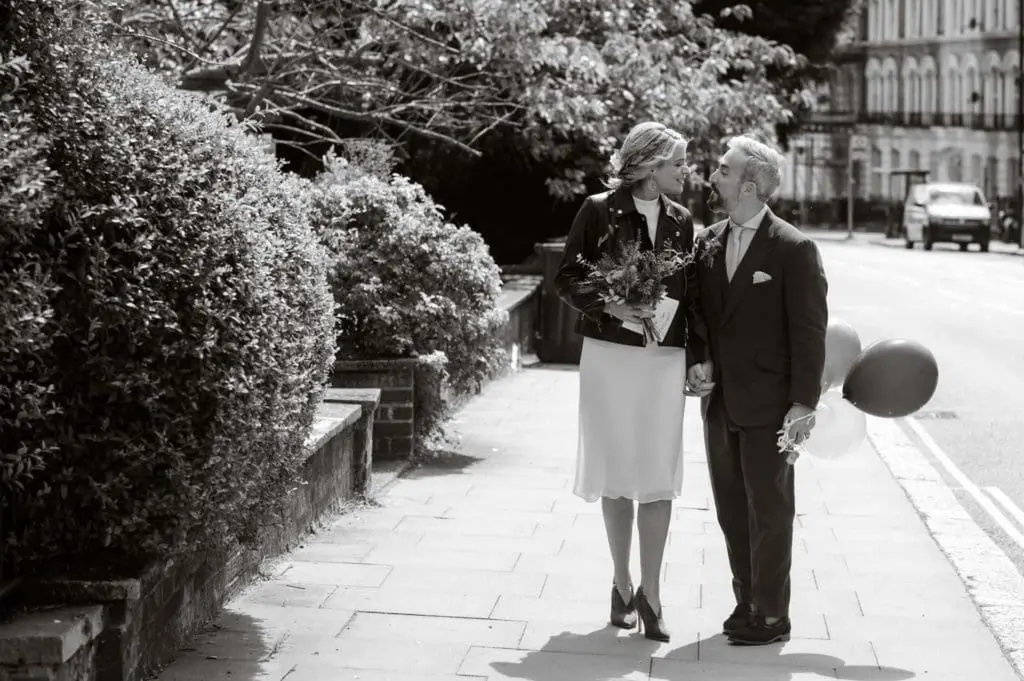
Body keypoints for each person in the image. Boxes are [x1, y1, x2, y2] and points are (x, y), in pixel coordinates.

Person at [554, 121, 706, 642]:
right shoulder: (598, 210)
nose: (687, 171)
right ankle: (621, 584)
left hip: (663, 356)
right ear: (649, 167)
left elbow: (693, 296)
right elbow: (567, 275)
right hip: (610, 355)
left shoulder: (684, 221)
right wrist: (613, 303)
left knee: (658, 472)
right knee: (617, 469)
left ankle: (652, 594)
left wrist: (695, 359)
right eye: (678, 163)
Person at [687, 135, 828, 646]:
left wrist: (803, 404)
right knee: (729, 508)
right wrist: (697, 359)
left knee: (769, 511)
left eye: (723, 169)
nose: (714, 175)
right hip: (720, 402)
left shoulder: (794, 248)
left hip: (771, 406)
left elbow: (809, 332)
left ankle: (771, 615)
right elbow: (700, 315)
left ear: (748, 185)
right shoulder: (706, 241)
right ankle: (745, 599)